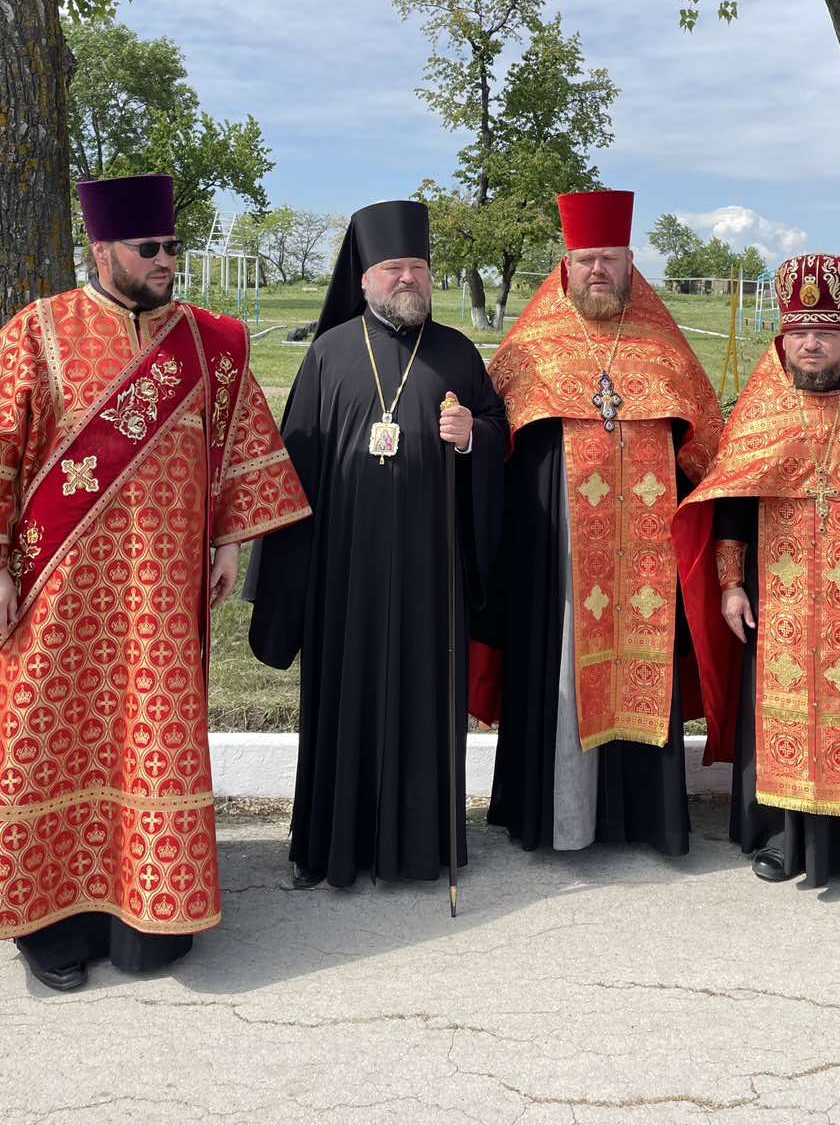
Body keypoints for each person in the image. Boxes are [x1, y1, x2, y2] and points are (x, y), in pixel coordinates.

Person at [0, 174, 310, 990]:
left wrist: (230, 539)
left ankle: (150, 912)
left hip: (162, 595)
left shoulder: (208, 342)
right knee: (48, 737)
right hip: (56, 593)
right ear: (102, 249)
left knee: (155, 736)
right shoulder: (37, 332)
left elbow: (238, 440)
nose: (167, 260)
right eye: (150, 248)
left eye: (173, 246)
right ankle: (51, 926)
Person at [245, 200, 508, 890]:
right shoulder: (329, 353)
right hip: (345, 571)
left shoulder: (457, 351)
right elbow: (293, 466)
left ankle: (423, 849)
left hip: (431, 572)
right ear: (364, 277)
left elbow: (497, 427)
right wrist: (288, 572)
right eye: (394, 267)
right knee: (344, 701)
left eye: (418, 266)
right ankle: (328, 846)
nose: (408, 278)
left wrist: (473, 437)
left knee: (426, 701)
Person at [477, 190, 723, 857]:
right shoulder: (532, 347)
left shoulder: (663, 345)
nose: (597, 271)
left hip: (647, 555)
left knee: (644, 660)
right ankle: (557, 817)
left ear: (629, 263)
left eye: (610, 259)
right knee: (559, 668)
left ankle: (644, 820)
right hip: (556, 550)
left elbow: (705, 442)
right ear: (566, 263)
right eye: (586, 259)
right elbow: (497, 436)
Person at [674, 253, 840, 890]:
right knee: (783, 716)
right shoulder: (761, 412)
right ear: (783, 338)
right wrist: (731, 584)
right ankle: (783, 841)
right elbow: (733, 503)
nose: (810, 344)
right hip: (781, 605)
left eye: (824, 333)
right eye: (799, 332)